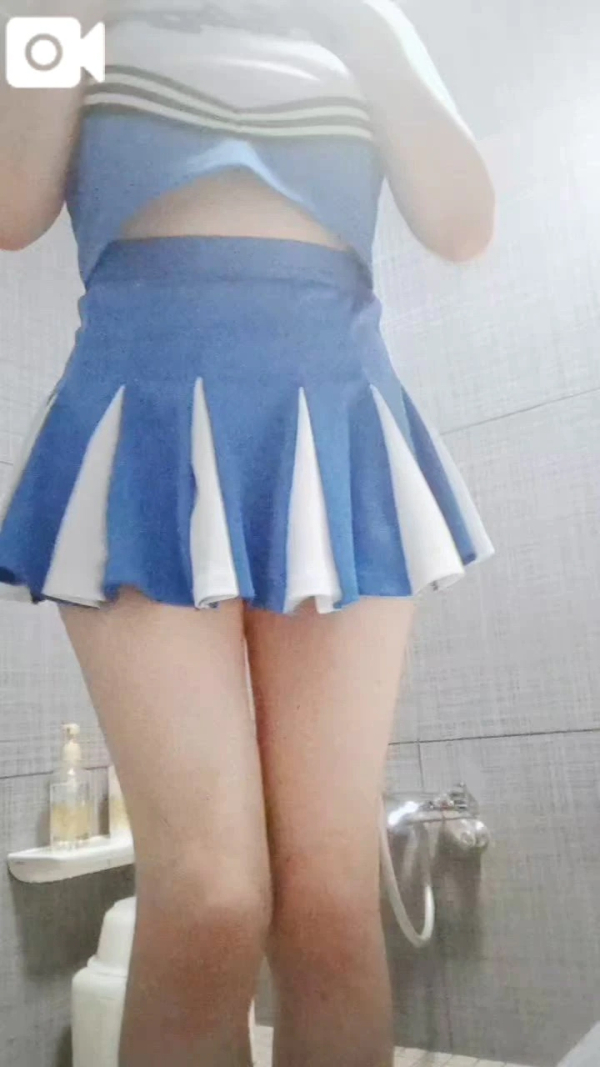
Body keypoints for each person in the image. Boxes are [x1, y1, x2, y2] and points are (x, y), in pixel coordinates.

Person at [0, 2, 495, 1065]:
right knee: (210, 898)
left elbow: (464, 223)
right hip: (140, 418)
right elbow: (8, 203)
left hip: (335, 421)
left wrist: (366, 20)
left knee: (330, 901)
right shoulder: (67, 15)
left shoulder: (364, 18)